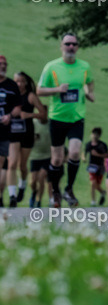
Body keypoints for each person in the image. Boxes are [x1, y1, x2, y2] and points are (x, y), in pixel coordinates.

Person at [37, 33, 95, 208]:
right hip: (57, 118)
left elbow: (90, 82)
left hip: (77, 117)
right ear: (61, 46)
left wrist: (89, 92)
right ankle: (55, 191)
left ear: (77, 47)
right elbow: (39, 90)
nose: (71, 47)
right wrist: (57, 89)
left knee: (75, 153)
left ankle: (69, 188)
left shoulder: (85, 66)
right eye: (67, 44)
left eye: (74, 44)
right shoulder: (51, 67)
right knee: (56, 159)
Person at [8, 70, 47, 207]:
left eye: (22, 81)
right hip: (12, 133)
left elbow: (43, 114)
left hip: (27, 133)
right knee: (12, 163)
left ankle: (22, 185)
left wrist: (28, 115)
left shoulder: (30, 96)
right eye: (16, 81)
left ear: (26, 82)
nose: (19, 84)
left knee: (22, 165)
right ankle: (12, 195)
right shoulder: (10, 94)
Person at [0, 55, 20, 206]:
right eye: (0, 64)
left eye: (5, 64)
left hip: (4, 131)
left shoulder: (12, 86)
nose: (3, 66)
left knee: (2, 164)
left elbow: (18, 108)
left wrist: (9, 116)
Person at [28, 119, 52, 208]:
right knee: (33, 181)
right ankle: (34, 192)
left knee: (41, 177)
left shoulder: (51, 123)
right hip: (35, 156)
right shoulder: (33, 123)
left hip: (47, 156)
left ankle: (38, 200)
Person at [83, 128, 108, 206]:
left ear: (99, 135)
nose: (94, 136)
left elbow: (107, 155)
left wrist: (98, 155)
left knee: (97, 184)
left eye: (96, 134)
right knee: (93, 183)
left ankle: (102, 192)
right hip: (92, 166)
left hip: (100, 167)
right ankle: (93, 201)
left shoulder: (102, 145)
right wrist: (84, 158)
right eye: (93, 134)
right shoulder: (88, 144)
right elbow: (84, 152)